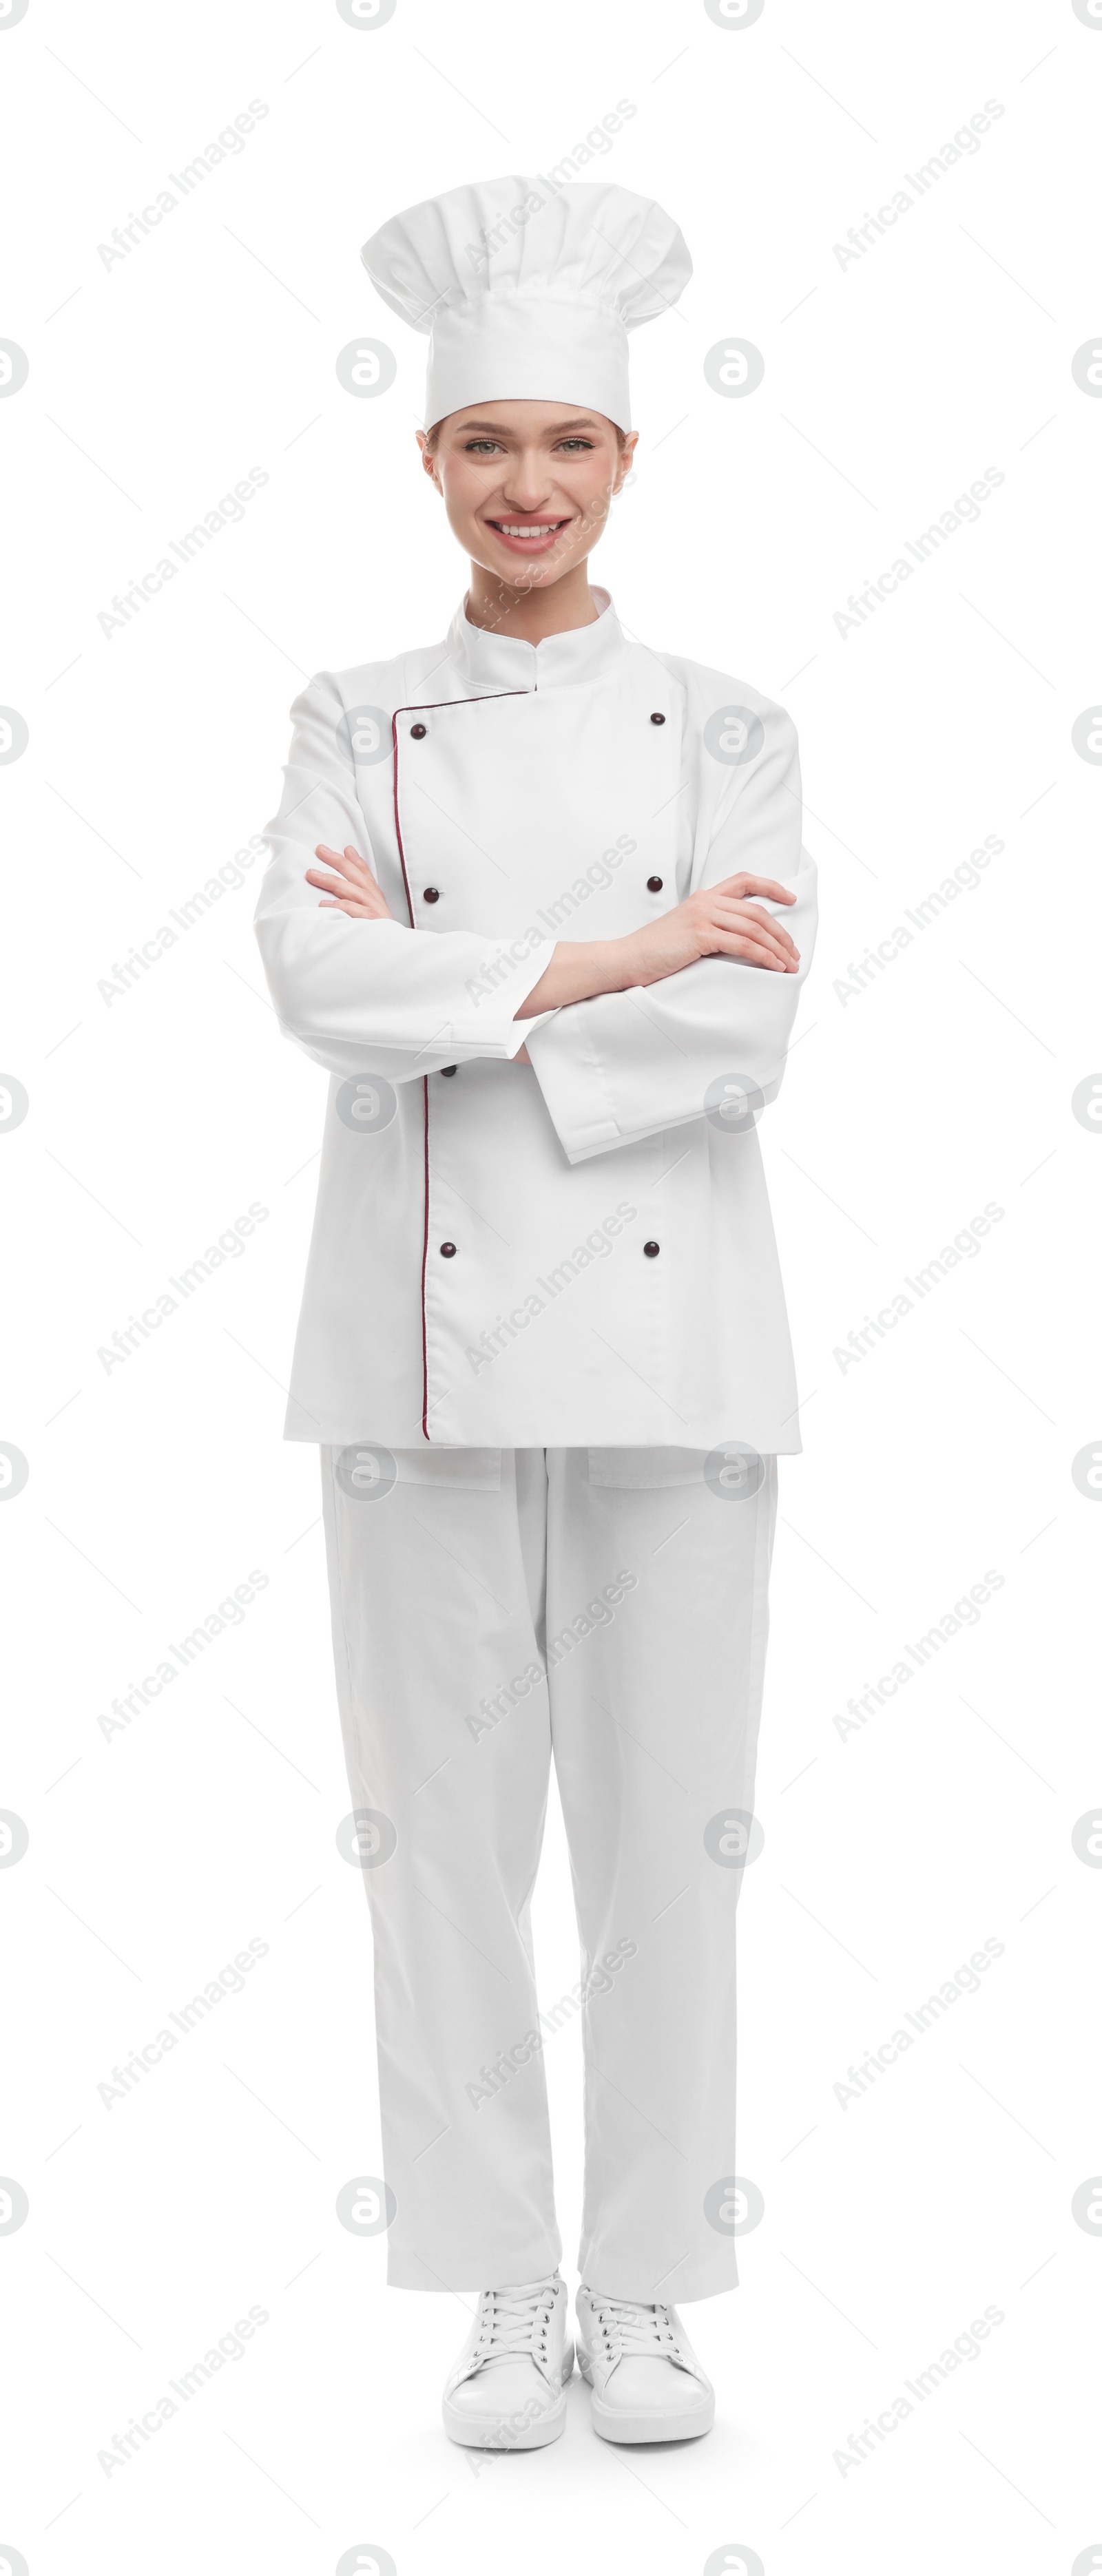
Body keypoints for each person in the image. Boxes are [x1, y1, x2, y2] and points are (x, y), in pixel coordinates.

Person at [254, 172, 817, 2451]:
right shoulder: (350, 714)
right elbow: (315, 982)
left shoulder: (733, 723)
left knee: (675, 1827)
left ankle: (656, 2283)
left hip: (683, 1355)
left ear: (624, 465)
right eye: (485, 443)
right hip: (408, 1355)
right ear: (428, 464)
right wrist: (606, 960)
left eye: (564, 446)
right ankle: (503, 2282)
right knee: (443, 1840)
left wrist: (455, 990)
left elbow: (743, 1046)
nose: (526, 485)